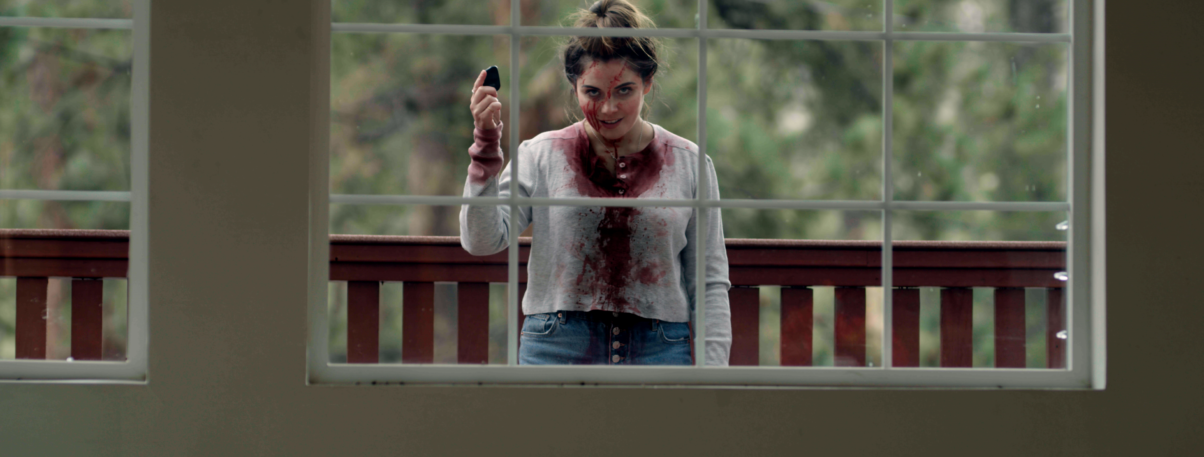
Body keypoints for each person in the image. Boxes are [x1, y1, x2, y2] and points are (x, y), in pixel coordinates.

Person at [460, 0, 730, 366]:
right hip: (556, 350)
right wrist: (485, 146)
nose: (608, 108)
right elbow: (482, 240)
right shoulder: (541, 155)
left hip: (660, 352)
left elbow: (709, 281)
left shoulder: (690, 164)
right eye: (593, 92)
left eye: (624, 90)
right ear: (574, 86)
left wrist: (714, 374)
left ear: (648, 82)